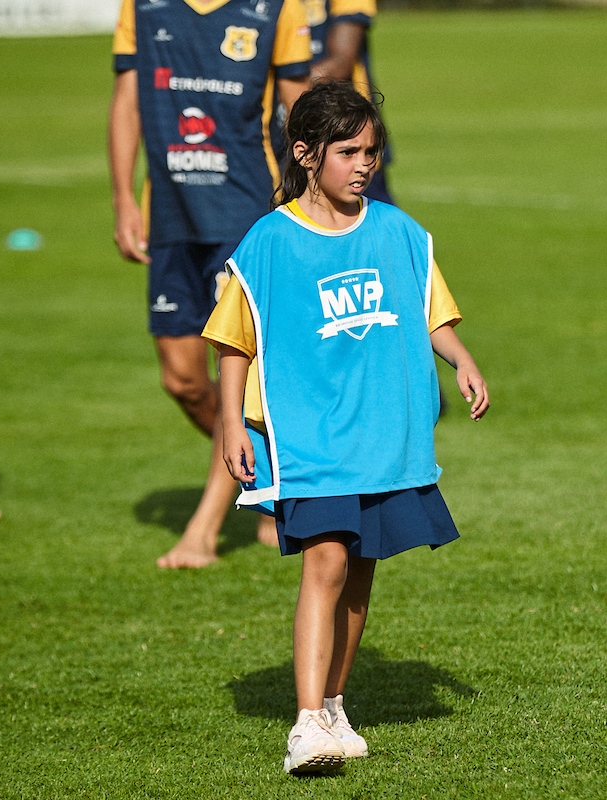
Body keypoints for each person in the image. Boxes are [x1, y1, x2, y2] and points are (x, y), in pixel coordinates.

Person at [203, 83, 489, 773]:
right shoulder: (271, 241)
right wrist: (231, 426)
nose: (364, 164)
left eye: (373, 150)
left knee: (360, 574)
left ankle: (334, 702)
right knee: (325, 562)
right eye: (349, 151)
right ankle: (305, 726)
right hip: (310, 438)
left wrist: (462, 359)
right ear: (306, 154)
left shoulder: (398, 232)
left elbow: (430, 309)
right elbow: (234, 341)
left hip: (383, 435)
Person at [108, 0, 312, 567]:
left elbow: (299, 106)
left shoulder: (276, 7)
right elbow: (127, 98)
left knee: (233, 377)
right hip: (170, 213)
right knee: (181, 381)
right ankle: (274, 475)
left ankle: (202, 533)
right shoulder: (143, 6)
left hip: (245, 212)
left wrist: (306, 203)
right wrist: (125, 195)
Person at [304, 0, 394, 203]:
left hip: (347, 128)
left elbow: (342, 61)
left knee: (374, 227)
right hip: (278, 132)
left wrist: (288, 83)